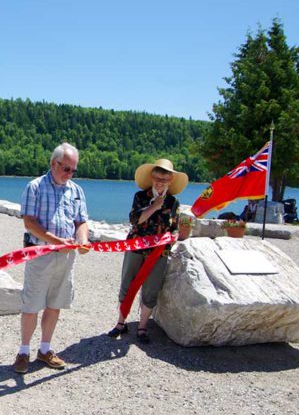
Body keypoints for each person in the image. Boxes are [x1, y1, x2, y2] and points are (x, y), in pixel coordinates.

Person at [13, 143, 90, 374]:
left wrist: (83, 239)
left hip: (66, 257)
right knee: (31, 305)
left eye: (73, 170)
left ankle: (45, 349)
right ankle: (24, 351)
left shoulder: (76, 190)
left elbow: (81, 221)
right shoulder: (35, 187)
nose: (69, 174)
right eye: (66, 169)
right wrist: (55, 241)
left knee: (55, 303)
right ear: (53, 163)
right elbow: (29, 223)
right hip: (40, 255)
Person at [106, 159, 189, 343]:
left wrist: (174, 235)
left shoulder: (174, 202)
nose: (160, 182)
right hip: (136, 247)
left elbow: (174, 226)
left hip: (159, 253)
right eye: (157, 178)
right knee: (127, 285)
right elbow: (135, 220)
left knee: (151, 290)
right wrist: (154, 206)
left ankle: (142, 327)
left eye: (164, 179)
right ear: (151, 178)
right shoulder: (140, 197)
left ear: (170, 181)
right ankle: (121, 323)